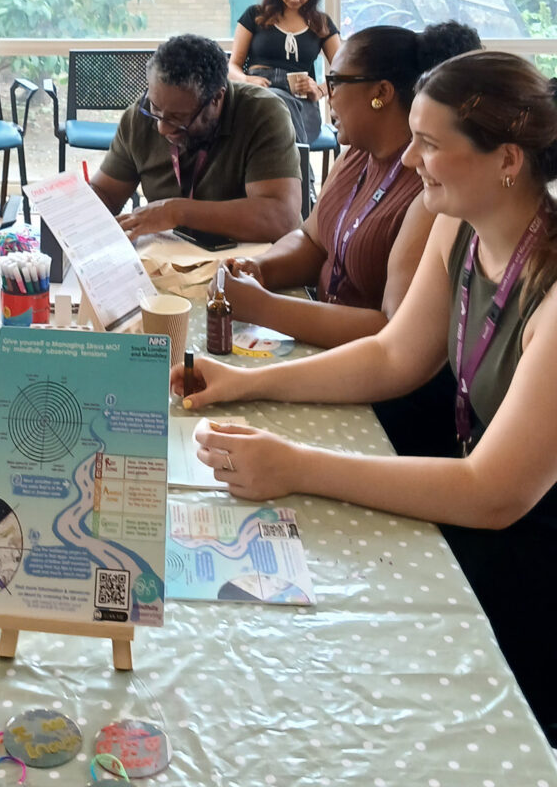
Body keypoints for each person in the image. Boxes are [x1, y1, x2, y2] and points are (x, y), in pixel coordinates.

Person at [171, 52, 557, 746]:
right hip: (485, 523)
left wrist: (297, 466)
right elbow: (393, 356)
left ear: (507, 160)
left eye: (431, 144)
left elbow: (492, 490)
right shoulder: (460, 224)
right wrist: (248, 383)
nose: (410, 161)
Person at [218, 21, 482, 349]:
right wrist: (259, 268)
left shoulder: (428, 187)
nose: (326, 94)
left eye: (335, 81)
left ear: (381, 93)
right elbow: (312, 240)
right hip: (321, 344)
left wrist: (263, 308)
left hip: (370, 381)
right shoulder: (357, 153)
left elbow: (395, 330)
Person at [91, 33, 301, 243]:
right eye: (155, 109)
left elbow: (281, 220)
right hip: (168, 262)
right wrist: (73, 208)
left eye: (178, 118)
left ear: (217, 98)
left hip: (248, 266)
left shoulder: (261, 112)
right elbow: (105, 194)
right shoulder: (139, 117)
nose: (162, 128)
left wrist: (176, 212)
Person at [228, 0, 341, 147]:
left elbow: (342, 72)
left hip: (302, 104)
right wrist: (247, 80)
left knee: (276, 106)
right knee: (272, 100)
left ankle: (294, 168)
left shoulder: (321, 23)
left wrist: (319, 91)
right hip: (258, 93)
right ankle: (302, 171)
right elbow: (232, 66)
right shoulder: (255, 15)